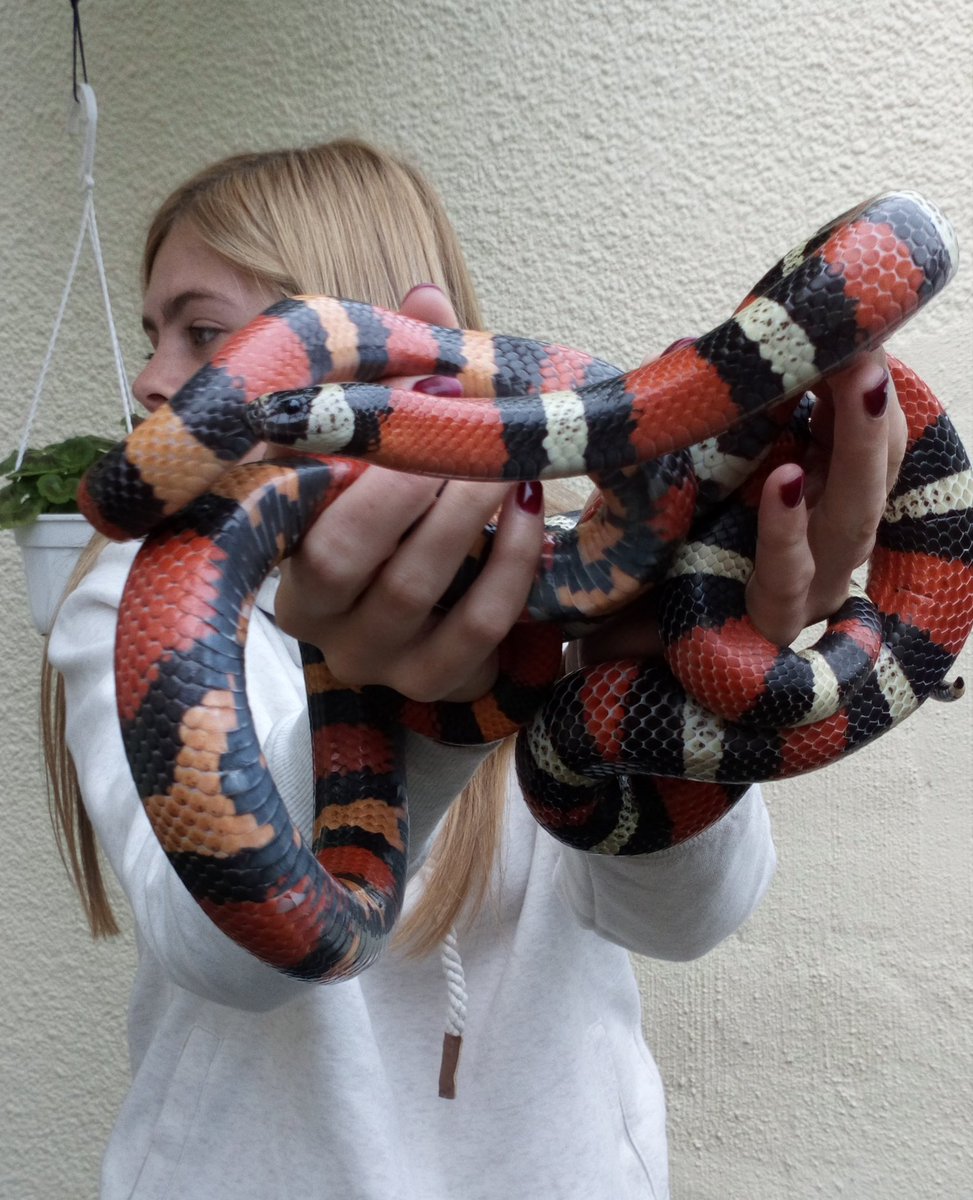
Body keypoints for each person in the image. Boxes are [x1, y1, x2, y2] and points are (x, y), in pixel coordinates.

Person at [44, 139, 904, 1200]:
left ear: (372, 360)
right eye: (153, 331)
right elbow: (225, 946)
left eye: (205, 333)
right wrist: (418, 714)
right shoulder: (125, 591)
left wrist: (685, 656)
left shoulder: (560, 548)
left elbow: (687, 920)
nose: (150, 374)